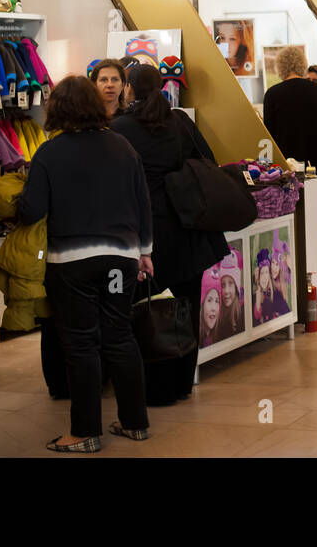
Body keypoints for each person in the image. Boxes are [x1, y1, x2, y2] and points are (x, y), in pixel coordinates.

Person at [16, 75, 152, 452]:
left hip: (72, 263)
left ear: (57, 109)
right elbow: (142, 203)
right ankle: (135, 422)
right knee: (119, 335)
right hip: (119, 260)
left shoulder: (50, 153)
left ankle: (85, 431)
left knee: (80, 343)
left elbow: (32, 212)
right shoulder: (123, 147)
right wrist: (145, 251)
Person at [110, 64, 224, 407]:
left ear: (129, 88)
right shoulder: (180, 121)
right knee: (186, 308)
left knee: (142, 308)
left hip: (143, 232)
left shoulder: (120, 128)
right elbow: (209, 160)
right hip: (187, 228)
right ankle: (182, 382)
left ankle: (150, 385)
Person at [262, 47, 317, 175]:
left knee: (292, 195)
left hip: (287, 164)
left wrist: (267, 164)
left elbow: (268, 133)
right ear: (303, 64)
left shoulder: (272, 94)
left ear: (280, 67)